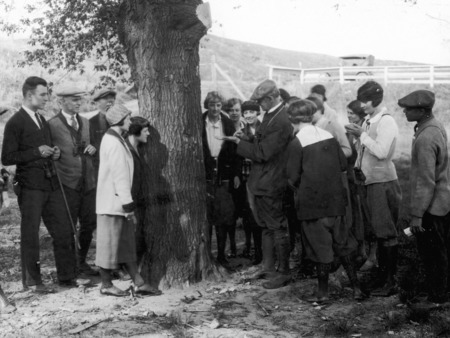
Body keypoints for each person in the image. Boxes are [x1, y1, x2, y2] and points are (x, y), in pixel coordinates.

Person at [1, 76, 88, 292]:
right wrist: (36, 152)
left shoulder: (41, 119)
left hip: (50, 184)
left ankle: (67, 277)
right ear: (29, 95)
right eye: (42, 94)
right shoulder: (15, 122)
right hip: (29, 187)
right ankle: (33, 281)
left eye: (47, 94)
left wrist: (54, 153)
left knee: (63, 229)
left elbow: (47, 149)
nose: (47, 98)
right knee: (30, 234)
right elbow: (7, 157)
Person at [286, 99, 363, 302]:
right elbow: (341, 163)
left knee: (321, 248)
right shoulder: (328, 135)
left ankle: (322, 293)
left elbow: (292, 178)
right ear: (312, 116)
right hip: (336, 201)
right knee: (343, 244)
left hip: (313, 205)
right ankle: (356, 288)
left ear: (291, 120)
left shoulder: (297, 142)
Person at [229, 80, 293, 289]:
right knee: (266, 227)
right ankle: (268, 267)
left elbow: (263, 153)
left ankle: (283, 272)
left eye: (261, 101)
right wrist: (248, 139)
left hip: (272, 183)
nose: (259, 105)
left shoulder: (281, 120)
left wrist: (241, 144)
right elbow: (261, 145)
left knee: (276, 226)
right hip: (264, 182)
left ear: (271, 98)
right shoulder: (272, 116)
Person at [346, 81, 402, 297]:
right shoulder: (370, 120)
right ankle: (382, 277)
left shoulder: (386, 122)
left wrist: (361, 134)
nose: (361, 105)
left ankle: (390, 282)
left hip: (382, 182)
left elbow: (381, 152)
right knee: (378, 232)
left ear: (375, 100)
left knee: (387, 233)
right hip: (368, 182)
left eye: (364, 101)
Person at [95, 104, 156, 296]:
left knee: (126, 244)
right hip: (113, 203)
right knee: (109, 246)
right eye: (128, 118)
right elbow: (119, 176)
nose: (130, 122)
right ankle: (106, 285)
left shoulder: (117, 139)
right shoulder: (112, 142)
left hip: (118, 201)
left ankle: (138, 281)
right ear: (120, 121)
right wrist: (128, 205)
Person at [398, 90, 450, 304]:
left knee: (432, 254)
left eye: (408, 109)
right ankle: (439, 292)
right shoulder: (434, 126)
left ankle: (437, 297)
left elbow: (426, 180)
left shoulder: (426, 137)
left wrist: (417, 215)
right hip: (442, 201)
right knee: (440, 250)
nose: (404, 112)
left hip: (432, 206)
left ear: (422, 110)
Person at [48, 86, 98, 277]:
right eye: (74, 100)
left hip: (88, 182)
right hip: (66, 184)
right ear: (62, 102)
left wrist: (94, 148)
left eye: (80, 100)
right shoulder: (51, 125)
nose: (79, 103)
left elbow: (93, 145)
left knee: (89, 224)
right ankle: (69, 270)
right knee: (68, 227)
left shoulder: (85, 122)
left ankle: (81, 261)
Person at [202, 91, 240, 267]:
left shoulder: (228, 123)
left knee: (223, 217)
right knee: (207, 217)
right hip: (206, 175)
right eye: (212, 105)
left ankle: (222, 255)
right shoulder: (200, 122)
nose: (215, 109)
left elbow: (235, 151)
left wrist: (236, 174)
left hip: (224, 175)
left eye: (218, 105)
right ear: (207, 106)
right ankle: (207, 253)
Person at [346, 100, 377, 271]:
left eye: (352, 113)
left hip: (365, 179)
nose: (349, 115)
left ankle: (372, 255)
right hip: (351, 182)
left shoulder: (367, 131)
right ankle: (360, 251)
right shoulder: (347, 131)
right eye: (348, 112)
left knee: (368, 217)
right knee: (356, 218)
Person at [238, 100, 262, 265]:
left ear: (257, 113)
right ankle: (256, 251)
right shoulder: (240, 131)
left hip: (264, 176)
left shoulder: (264, 128)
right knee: (251, 214)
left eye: (251, 112)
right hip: (248, 177)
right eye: (245, 113)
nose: (248, 115)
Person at [125, 117, 151, 267]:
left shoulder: (138, 149)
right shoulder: (126, 149)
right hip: (129, 199)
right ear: (135, 132)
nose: (148, 134)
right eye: (145, 131)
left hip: (138, 197)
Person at [225, 97, 244, 258]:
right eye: (231, 110)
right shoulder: (225, 127)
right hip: (230, 173)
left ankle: (249, 245)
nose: (234, 113)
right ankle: (232, 245)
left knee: (247, 212)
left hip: (246, 172)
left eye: (237, 110)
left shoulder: (247, 126)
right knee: (230, 211)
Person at [90, 88, 116, 174]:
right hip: (101, 167)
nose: (110, 101)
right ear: (97, 103)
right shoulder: (90, 123)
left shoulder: (124, 120)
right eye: (105, 98)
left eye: (112, 98)